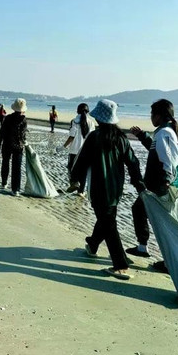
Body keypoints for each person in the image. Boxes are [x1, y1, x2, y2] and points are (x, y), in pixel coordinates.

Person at [70, 99, 145, 280]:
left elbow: (81, 162)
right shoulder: (121, 139)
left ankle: (120, 265)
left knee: (109, 224)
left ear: (99, 118)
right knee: (106, 218)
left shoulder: (94, 137)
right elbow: (133, 162)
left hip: (98, 187)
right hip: (115, 188)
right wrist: (138, 183)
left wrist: (75, 180)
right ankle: (92, 245)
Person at [125, 99, 178, 272]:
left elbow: (169, 160)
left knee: (165, 224)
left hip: (164, 186)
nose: (151, 117)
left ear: (159, 115)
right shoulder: (165, 132)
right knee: (140, 209)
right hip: (164, 185)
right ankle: (143, 248)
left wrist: (166, 182)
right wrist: (142, 136)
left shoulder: (164, 133)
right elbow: (159, 152)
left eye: (152, 114)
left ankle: (169, 262)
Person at [62, 103, 96, 195]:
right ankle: (81, 192)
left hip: (74, 150)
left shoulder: (74, 121)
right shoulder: (91, 122)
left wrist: (63, 146)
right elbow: (92, 138)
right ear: (87, 111)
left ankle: (74, 182)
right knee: (83, 172)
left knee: (71, 168)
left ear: (77, 111)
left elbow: (72, 136)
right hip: (86, 151)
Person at [0, 98, 28, 196]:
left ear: (14, 108)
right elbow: (23, 136)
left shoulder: (8, 118)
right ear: (22, 109)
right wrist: (25, 143)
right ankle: (15, 189)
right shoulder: (24, 120)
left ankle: (4, 183)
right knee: (16, 167)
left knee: (5, 163)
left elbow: (2, 132)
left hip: (7, 144)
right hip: (18, 146)